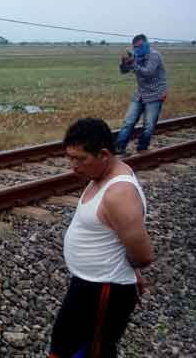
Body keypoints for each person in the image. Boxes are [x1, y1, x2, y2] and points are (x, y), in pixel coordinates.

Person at [50, 118, 154, 358]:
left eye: (80, 159)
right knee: (64, 344)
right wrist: (132, 270)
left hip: (105, 288)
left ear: (104, 154)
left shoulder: (119, 194)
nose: (73, 166)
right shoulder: (101, 175)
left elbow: (144, 255)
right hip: (88, 282)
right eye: (70, 158)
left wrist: (129, 271)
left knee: (95, 351)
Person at [115, 34, 167, 155]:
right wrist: (124, 62)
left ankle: (142, 148)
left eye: (139, 46)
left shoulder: (154, 56)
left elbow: (147, 72)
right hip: (140, 93)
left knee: (148, 124)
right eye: (135, 47)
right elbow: (123, 71)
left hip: (155, 94)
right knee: (129, 121)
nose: (137, 49)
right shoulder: (135, 56)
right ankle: (119, 147)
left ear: (146, 44)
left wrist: (133, 64)